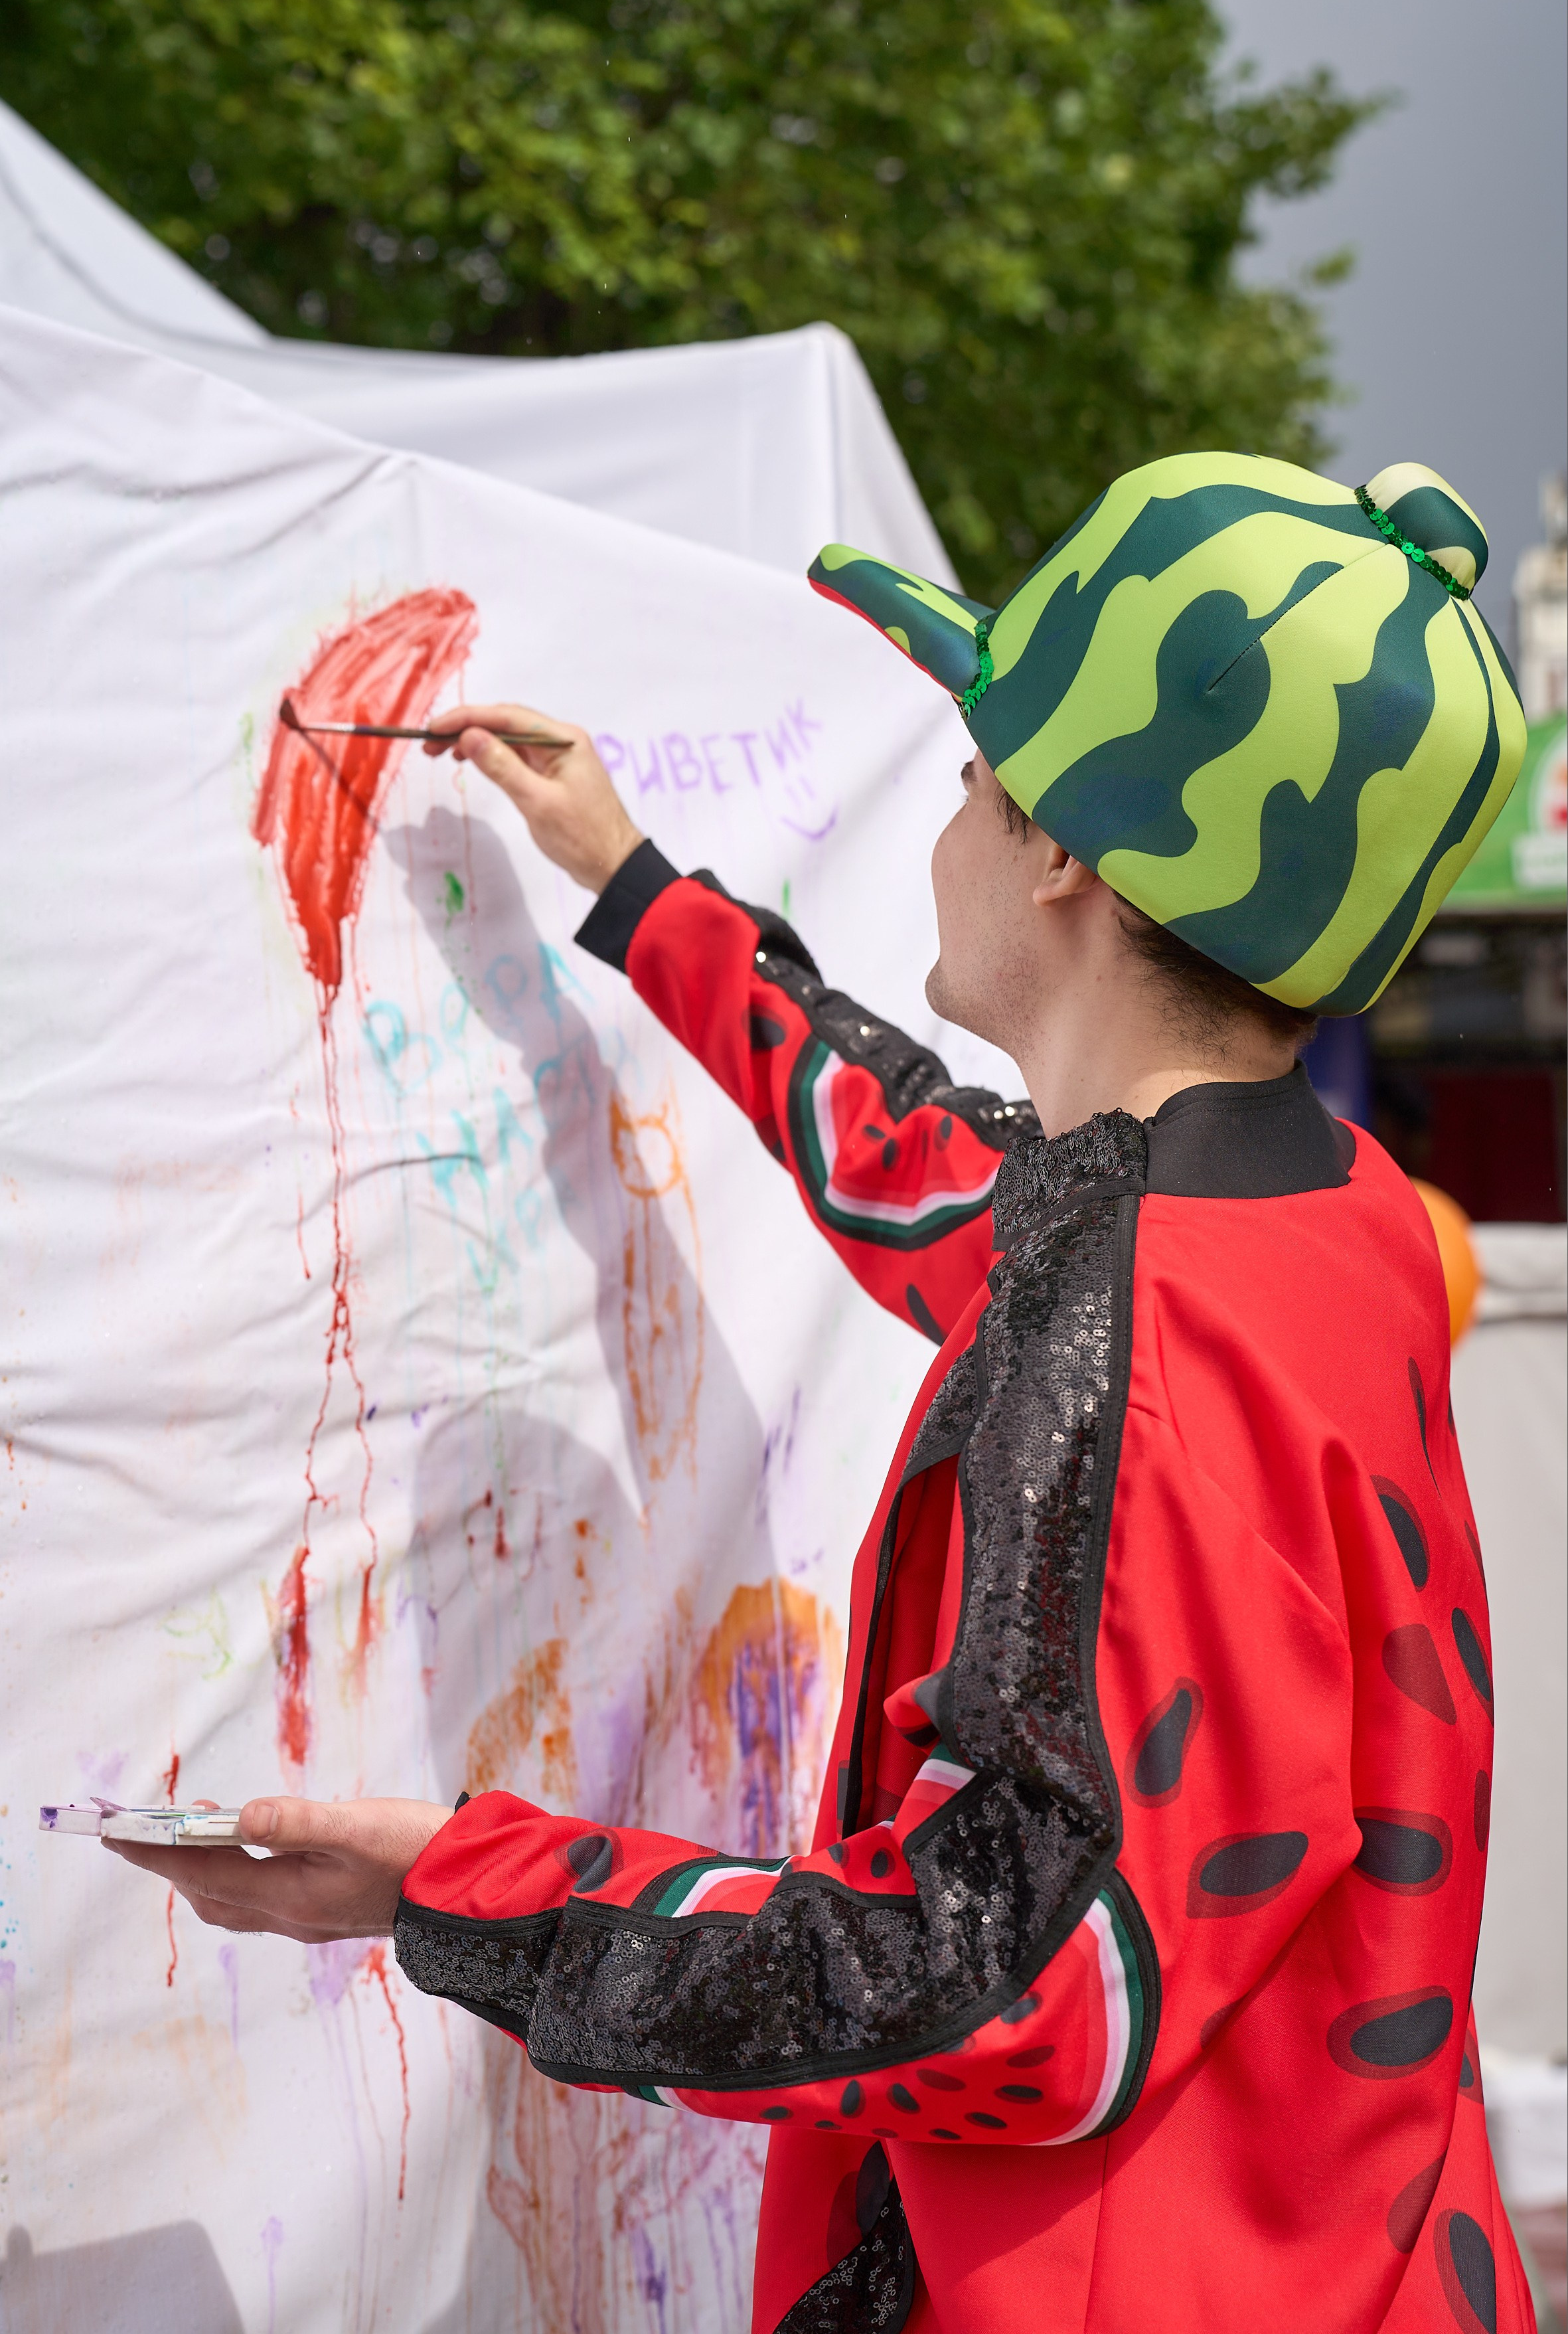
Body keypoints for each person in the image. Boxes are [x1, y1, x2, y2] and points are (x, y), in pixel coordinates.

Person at [109, 455, 1534, 2332]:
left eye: (967, 775)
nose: (939, 817)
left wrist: (457, 1886)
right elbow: (944, 1179)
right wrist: (633, 889)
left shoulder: (1140, 1358)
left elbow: (1013, 1988)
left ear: (1059, 856)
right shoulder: (1318, 1216)